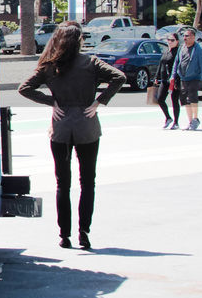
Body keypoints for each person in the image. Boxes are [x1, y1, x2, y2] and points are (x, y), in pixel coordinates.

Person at [18, 21, 126, 250]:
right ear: (79, 40)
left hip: (61, 127)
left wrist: (52, 102)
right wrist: (98, 101)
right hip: (87, 125)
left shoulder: (50, 65)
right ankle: (83, 232)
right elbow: (119, 77)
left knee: (62, 184)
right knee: (88, 183)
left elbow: (24, 89)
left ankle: (64, 234)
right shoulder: (90, 62)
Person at [169, 29, 202, 130]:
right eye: (184, 36)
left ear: (193, 37)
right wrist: (173, 76)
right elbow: (176, 63)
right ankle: (190, 121)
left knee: (192, 98)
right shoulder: (181, 48)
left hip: (194, 78)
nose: (185, 38)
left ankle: (195, 119)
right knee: (184, 100)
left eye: (187, 36)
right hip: (183, 78)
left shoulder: (199, 50)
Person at [154, 32, 182, 129]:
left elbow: (179, 67)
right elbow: (161, 64)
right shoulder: (166, 51)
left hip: (174, 80)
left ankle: (176, 122)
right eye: (168, 40)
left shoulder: (178, 52)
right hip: (164, 80)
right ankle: (168, 118)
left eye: (172, 40)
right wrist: (157, 77)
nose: (170, 42)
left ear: (177, 41)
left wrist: (176, 79)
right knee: (160, 99)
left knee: (174, 100)